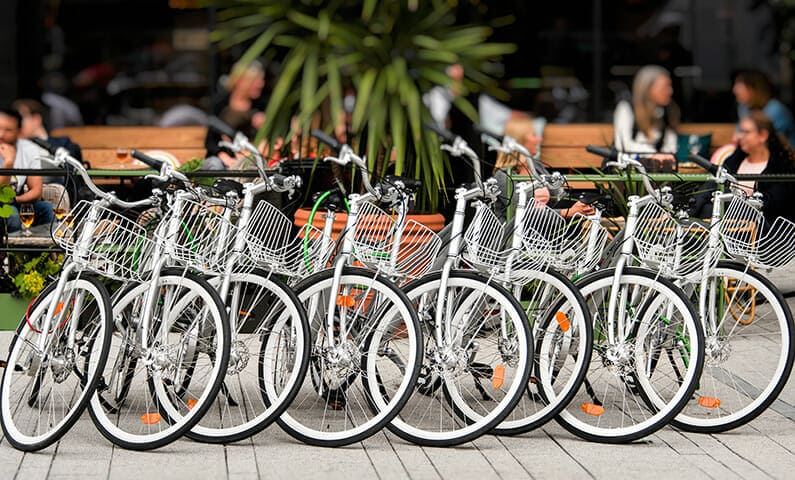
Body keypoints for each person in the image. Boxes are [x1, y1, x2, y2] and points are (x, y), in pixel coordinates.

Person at [691, 110, 795, 223]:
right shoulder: (735, 160)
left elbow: (771, 205)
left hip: (762, 231)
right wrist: (689, 211)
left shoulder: (780, 166)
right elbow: (709, 187)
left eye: (746, 132)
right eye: (740, 131)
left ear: (763, 136)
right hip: (726, 225)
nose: (739, 136)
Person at [492, 112, 594, 219]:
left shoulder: (536, 167)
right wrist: (566, 213)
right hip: (516, 234)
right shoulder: (503, 175)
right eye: (534, 135)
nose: (539, 139)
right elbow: (520, 213)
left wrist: (581, 206)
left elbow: (559, 196)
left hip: (546, 231)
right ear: (520, 141)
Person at [203, 60, 269, 170]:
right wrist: (227, 160)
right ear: (241, 81)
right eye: (256, 80)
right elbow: (211, 142)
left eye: (261, 80)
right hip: (223, 161)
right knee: (215, 165)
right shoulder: (221, 104)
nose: (261, 84)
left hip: (252, 162)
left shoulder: (261, 106)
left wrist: (264, 125)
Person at [613, 65, 679, 171]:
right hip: (628, 172)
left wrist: (667, 156)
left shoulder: (667, 111)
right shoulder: (627, 107)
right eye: (664, 87)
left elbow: (670, 145)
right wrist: (652, 154)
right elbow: (622, 143)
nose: (670, 91)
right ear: (648, 88)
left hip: (656, 170)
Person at [0, 107, 56, 233]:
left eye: (8, 130)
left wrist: (15, 200)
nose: (1, 135)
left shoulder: (29, 149)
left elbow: (36, 191)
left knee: (47, 209)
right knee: (12, 215)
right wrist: (8, 163)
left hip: (15, 202)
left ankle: (46, 251)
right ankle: (13, 253)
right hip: (3, 206)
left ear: (19, 132)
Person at [732, 69, 795, 147]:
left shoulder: (775, 109)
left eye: (739, 86)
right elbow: (740, 132)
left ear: (753, 89)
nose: (734, 90)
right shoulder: (744, 108)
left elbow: (772, 142)